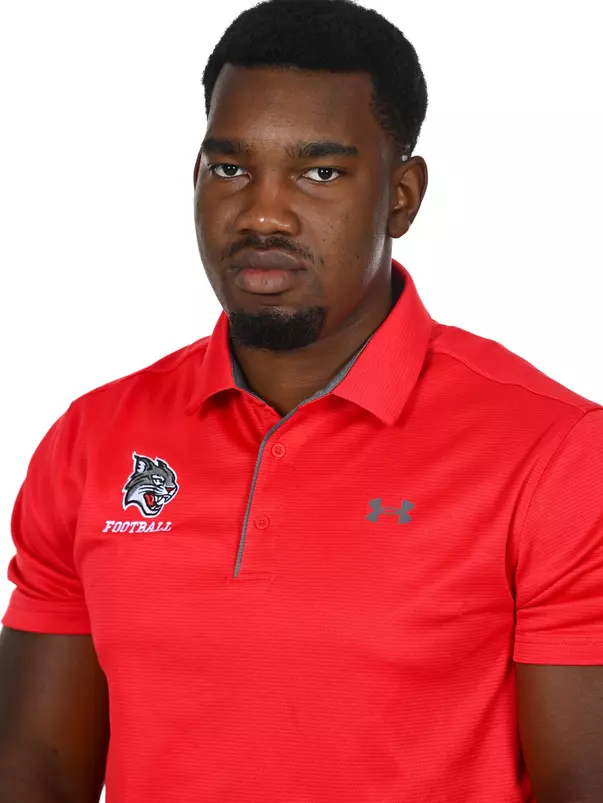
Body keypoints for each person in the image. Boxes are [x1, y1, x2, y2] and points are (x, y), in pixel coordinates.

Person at [0, 0, 602, 800]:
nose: (262, 213)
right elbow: (36, 762)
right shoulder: (92, 439)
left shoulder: (554, 451)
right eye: (230, 167)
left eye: (320, 173)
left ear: (401, 195)